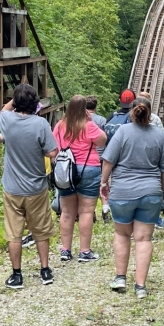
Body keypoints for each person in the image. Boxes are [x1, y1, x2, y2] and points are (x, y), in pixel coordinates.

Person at [100, 97, 164, 299]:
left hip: (123, 192)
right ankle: (140, 286)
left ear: (131, 112)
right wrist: (159, 188)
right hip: (150, 192)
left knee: (122, 235)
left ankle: (121, 277)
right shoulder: (158, 135)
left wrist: (104, 183)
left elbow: (108, 160)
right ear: (150, 114)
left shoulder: (122, 132)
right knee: (143, 239)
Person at [0, 84, 58, 289]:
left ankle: (17, 275)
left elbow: (4, 110)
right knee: (41, 230)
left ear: (16, 102)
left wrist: (16, 96)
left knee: (14, 233)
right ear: (36, 103)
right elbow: (52, 152)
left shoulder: (7, 120)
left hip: (12, 187)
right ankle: (45, 270)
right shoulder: (41, 124)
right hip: (36, 187)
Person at [53, 95, 107, 262]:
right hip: (88, 170)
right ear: (84, 109)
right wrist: (89, 121)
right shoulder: (89, 126)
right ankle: (84, 251)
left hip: (65, 170)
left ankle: (65, 250)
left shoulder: (60, 126)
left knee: (67, 212)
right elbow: (103, 141)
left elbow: (53, 146)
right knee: (86, 211)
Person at [137, 91, 164, 230]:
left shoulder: (130, 119)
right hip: (151, 159)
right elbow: (162, 139)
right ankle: (153, 218)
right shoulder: (155, 119)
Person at [100, 89, 135, 223]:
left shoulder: (112, 116)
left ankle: (106, 208)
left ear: (120, 101)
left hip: (109, 154)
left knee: (108, 183)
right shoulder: (132, 118)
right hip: (126, 156)